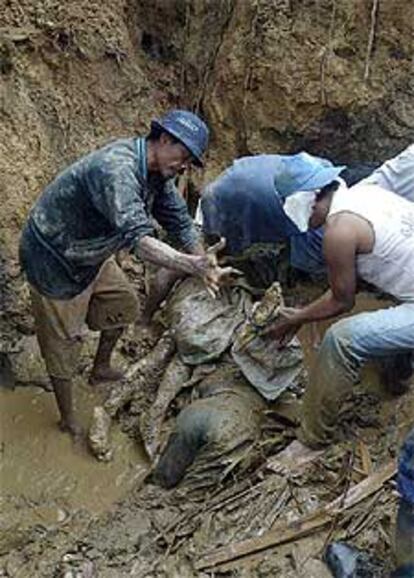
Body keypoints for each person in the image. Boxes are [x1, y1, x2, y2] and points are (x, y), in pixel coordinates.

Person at [19, 109, 231, 440]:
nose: (185, 165)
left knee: (123, 305)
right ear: (163, 139)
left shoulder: (157, 173)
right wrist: (190, 266)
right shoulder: (117, 169)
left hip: (93, 252)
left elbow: (178, 218)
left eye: (191, 160)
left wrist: (203, 257)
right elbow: (140, 241)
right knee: (64, 346)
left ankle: (100, 369)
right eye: (184, 155)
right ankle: (67, 419)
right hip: (55, 258)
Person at [266, 177, 414, 465]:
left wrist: (296, 318)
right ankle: (395, 383)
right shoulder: (366, 194)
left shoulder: (338, 231)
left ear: (310, 202)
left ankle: (311, 441)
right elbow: (349, 283)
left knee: (341, 339)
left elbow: (342, 300)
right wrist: (304, 314)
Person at [199, 153, 346, 279]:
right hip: (229, 199)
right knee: (231, 249)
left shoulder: (319, 169)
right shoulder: (291, 208)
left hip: (248, 177)